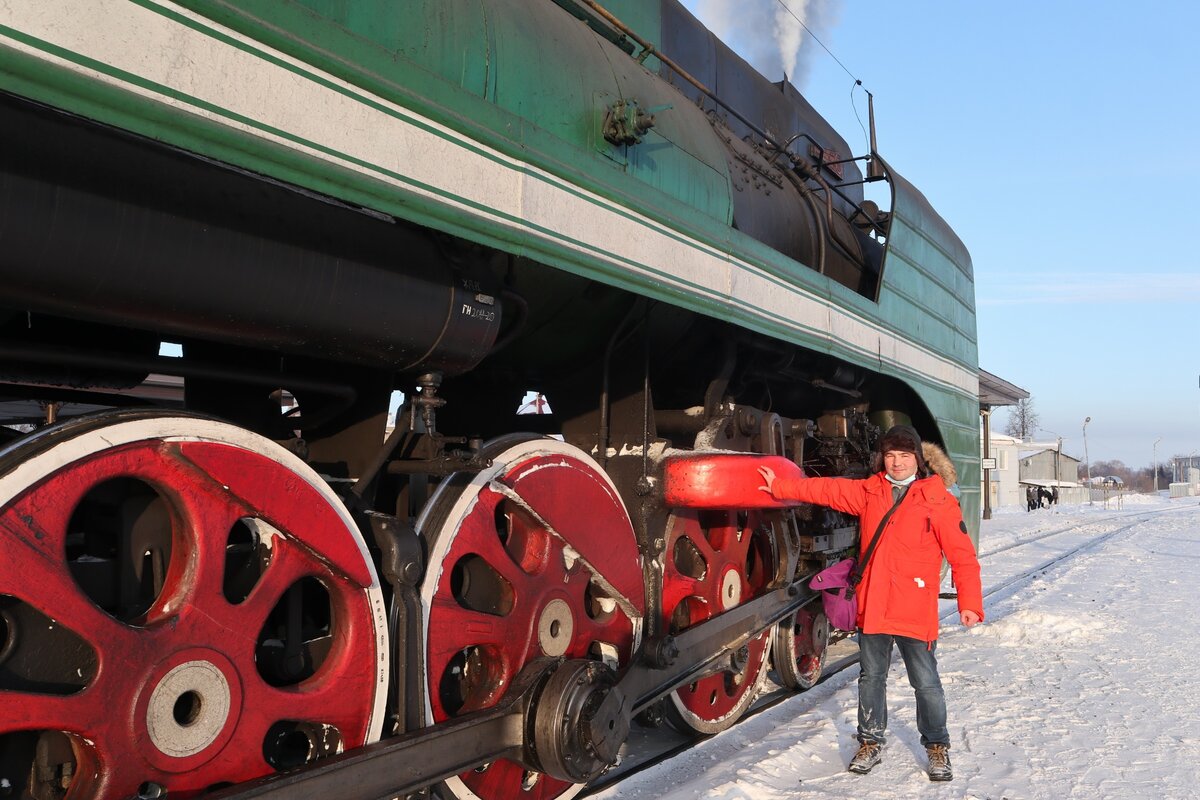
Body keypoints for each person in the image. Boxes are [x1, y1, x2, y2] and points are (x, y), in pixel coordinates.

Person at [758, 425, 983, 782]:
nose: (896, 463)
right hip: (875, 604)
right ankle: (870, 741)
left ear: (918, 461)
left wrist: (969, 602)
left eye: (904, 456)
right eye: (890, 456)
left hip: (914, 607)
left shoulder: (937, 498)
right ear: (883, 458)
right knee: (871, 678)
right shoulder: (870, 490)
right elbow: (827, 489)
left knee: (925, 682)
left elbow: (963, 556)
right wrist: (779, 485)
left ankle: (937, 746)